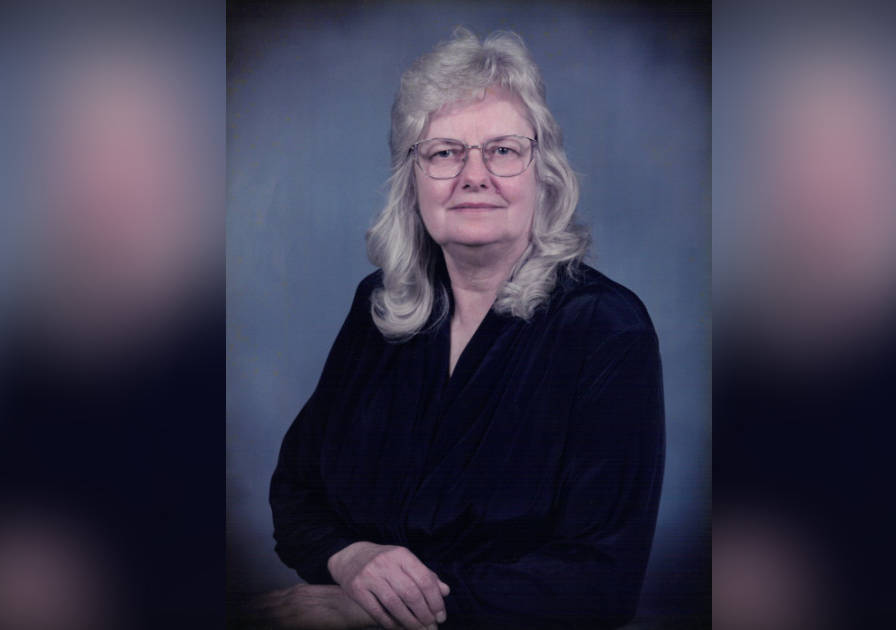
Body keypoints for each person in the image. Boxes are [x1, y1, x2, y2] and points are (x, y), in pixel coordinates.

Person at [257, 28, 666, 630]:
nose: (474, 175)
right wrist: (351, 557)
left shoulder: (607, 331)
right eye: (445, 152)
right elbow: (296, 491)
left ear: (544, 174)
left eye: (502, 150)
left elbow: (599, 584)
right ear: (411, 178)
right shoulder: (379, 307)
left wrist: (371, 612)